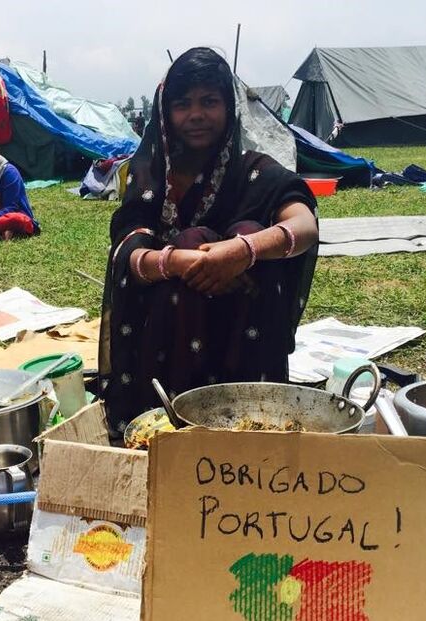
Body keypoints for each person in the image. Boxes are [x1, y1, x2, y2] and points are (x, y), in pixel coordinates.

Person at [98, 47, 319, 433]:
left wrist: (242, 252)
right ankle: (171, 418)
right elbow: (127, 249)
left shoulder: (255, 171)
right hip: (166, 338)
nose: (196, 115)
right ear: (165, 113)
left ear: (229, 108)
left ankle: (250, 417)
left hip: (241, 337)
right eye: (182, 104)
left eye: (209, 102)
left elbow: (303, 226)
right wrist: (182, 262)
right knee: (191, 239)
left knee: (252, 231)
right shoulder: (148, 174)